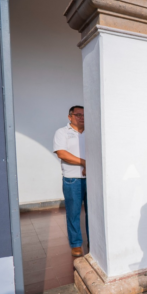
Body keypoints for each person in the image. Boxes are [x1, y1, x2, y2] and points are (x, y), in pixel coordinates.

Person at [53, 106, 88, 257]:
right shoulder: (62, 132)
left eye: (84, 115)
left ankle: (94, 242)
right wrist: (84, 163)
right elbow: (62, 153)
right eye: (78, 115)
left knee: (93, 213)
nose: (81, 117)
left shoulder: (91, 132)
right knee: (73, 213)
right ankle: (76, 244)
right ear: (70, 117)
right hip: (72, 179)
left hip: (92, 179)